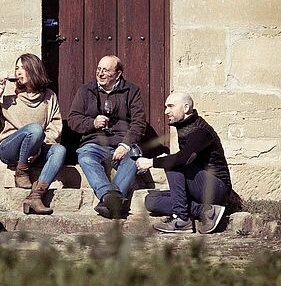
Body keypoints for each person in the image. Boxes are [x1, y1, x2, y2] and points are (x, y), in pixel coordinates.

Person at [0, 53, 66, 215]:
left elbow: (55, 128)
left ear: (34, 70)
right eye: (16, 68)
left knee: (60, 150)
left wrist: (38, 148)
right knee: (34, 128)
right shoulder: (9, 94)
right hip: (9, 149)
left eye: (23, 68)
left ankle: (36, 195)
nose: (18, 72)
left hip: (37, 149)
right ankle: (21, 172)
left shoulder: (49, 96)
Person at [136, 93, 231, 234]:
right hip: (197, 188)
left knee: (173, 163)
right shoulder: (184, 126)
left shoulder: (200, 130)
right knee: (151, 200)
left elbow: (183, 159)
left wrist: (151, 162)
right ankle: (205, 210)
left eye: (170, 106)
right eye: (166, 107)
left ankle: (181, 219)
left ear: (186, 108)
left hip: (216, 188)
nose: (166, 111)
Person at [68, 55, 146, 219]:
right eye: (98, 69)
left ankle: (108, 203)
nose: (100, 74)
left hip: (121, 145)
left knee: (133, 159)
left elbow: (139, 123)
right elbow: (73, 120)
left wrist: (125, 145)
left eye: (106, 70)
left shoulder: (131, 91)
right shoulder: (86, 90)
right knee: (86, 157)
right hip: (94, 144)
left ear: (118, 74)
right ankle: (111, 198)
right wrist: (92, 123)